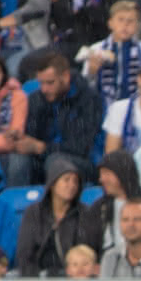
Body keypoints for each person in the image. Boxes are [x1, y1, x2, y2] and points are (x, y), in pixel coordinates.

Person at [26, 55, 104, 184]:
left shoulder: (88, 100)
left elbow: (82, 147)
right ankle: (23, 201)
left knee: (56, 162)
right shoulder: (36, 99)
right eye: (41, 83)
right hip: (44, 157)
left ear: (66, 77)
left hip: (84, 163)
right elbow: (31, 137)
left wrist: (43, 148)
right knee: (18, 160)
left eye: (50, 83)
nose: (44, 89)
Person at [80, 148, 141, 257]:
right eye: (101, 174)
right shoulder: (99, 208)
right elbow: (89, 245)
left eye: (107, 174)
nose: (101, 179)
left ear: (123, 173)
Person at [15, 155, 87, 277]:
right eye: (66, 179)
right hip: (37, 277)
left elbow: (85, 253)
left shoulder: (84, 213)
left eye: (75, 181)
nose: (72, 185)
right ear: (53, 184)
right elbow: (25, 253)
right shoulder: (34, 212)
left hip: (72, 277)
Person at [79, 0, 141, 108]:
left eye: (131, 21)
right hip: (104, 106)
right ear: (110, 23)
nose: (125, 25)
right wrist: (92, 72)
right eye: (121, 20)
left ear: (137, 25)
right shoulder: (96, 48)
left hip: (135, 105)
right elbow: (86, 85)